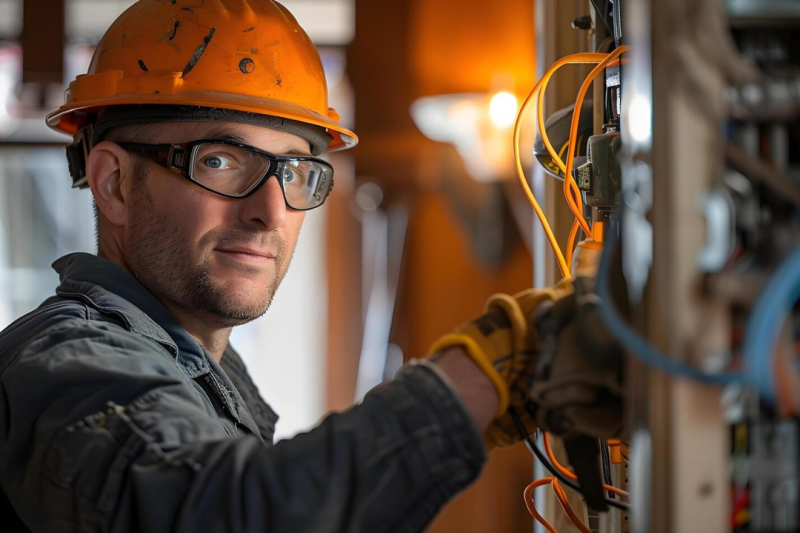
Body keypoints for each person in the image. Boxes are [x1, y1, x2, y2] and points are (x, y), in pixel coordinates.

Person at [0, 1, 564, 531]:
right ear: (113, 182)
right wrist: (478, 380)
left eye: (294, 172)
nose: (271, 211)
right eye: (220, 161)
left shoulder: (196, 367)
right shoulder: (70, 367)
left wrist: (473, 413)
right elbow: (232, 514)